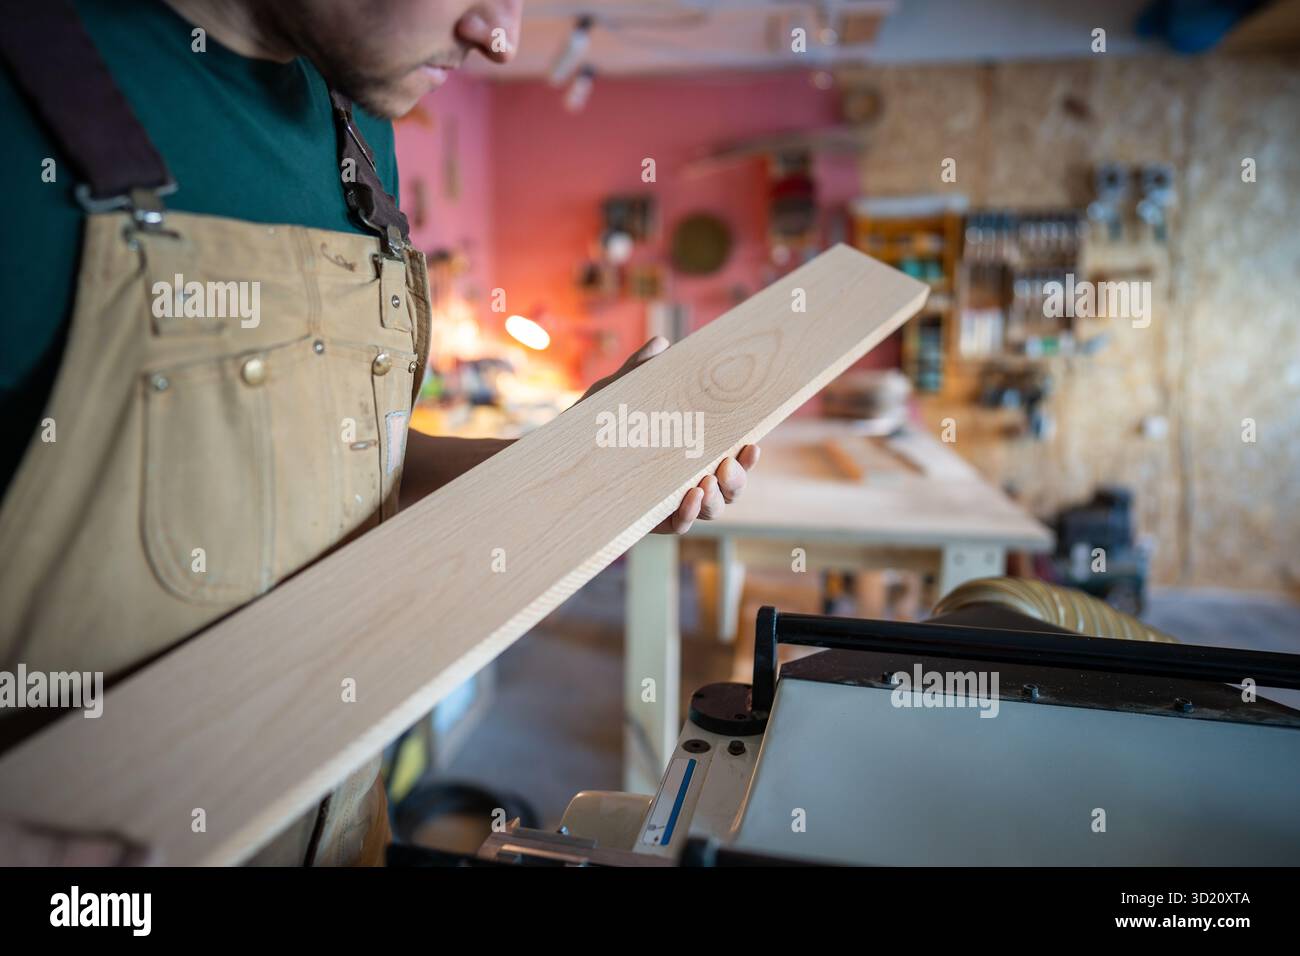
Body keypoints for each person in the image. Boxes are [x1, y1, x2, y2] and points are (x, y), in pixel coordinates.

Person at [0, 0, 758, 865]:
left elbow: (363, 463)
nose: (502, 35)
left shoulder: (357, 128)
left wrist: (583, 456)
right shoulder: (28, 96)